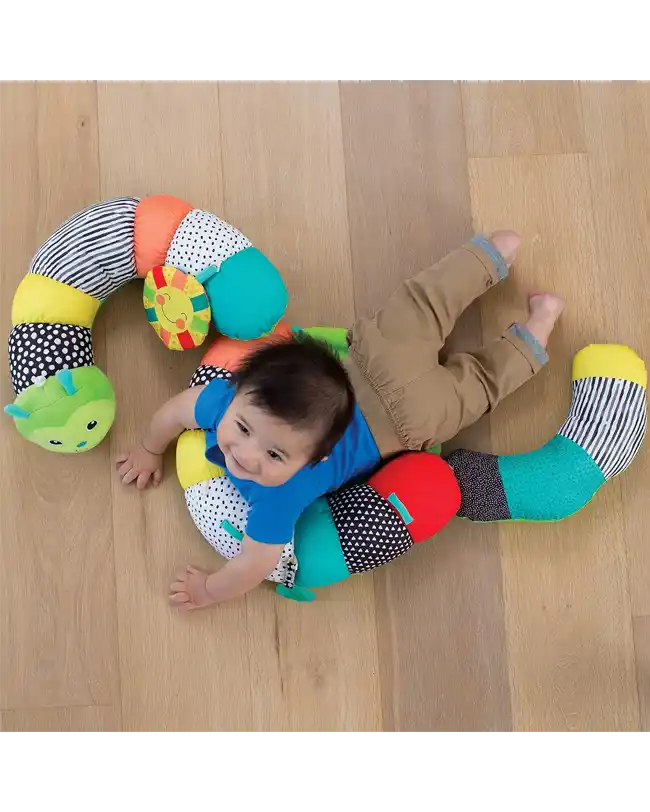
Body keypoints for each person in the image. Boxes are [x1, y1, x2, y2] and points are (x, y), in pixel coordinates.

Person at [117, 231, 564, 609]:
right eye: (245, 429)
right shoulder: (228, 401)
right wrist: (148, 446)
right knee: (425, 303)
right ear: (238, 392)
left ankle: (538, 322)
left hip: (411, 418)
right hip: (376, 356)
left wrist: (208, 591)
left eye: (275, 453)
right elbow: (177, 410)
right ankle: (493, 253)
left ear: (319, 455)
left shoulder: (275, 495)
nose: (246, 456)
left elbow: (252, 566)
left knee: (479, 381)